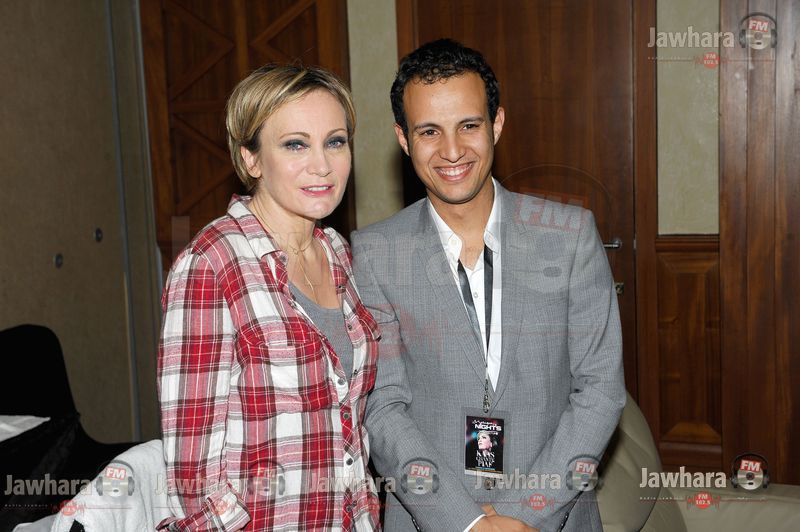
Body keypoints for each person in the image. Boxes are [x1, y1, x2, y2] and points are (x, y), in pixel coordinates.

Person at [351, 39, 625, 532]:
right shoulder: (374, 253)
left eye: (469, 126)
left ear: (496, 123)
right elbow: (383, 408)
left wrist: (523, 514)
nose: (452, 151)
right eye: (429, 131)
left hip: (554, 516)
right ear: (403, 139)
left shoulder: (569, 236)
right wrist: (467, 522)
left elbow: (600, 391)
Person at [157, 64, 381, 531]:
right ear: (251, 159)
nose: (322, 165)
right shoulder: (212, 265)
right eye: (295, 144)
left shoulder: (337, 252)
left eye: (335, 142)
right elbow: (194, 483)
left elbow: (350, 430)